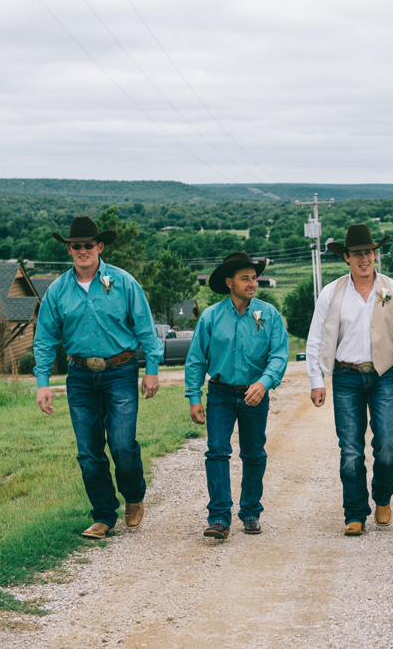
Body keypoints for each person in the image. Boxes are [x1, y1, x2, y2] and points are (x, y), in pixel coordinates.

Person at [34, 216, 163, 539]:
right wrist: (43, 384)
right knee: (89, 452)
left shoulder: (124, 282)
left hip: (120, 371)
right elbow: (45, 339)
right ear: (69, 249)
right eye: (76, 245)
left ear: (100, 246)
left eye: (88, 245)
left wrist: (152, 370)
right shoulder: (57, 291)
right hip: (79, 376)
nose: (83, 250)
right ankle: (104, 515)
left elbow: (146, 328)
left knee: (122, 445)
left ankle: (133, 497)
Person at [306, 224, 393, 536]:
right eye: (357, 253)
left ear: (375, 254)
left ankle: (382, 497)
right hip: (346, 376)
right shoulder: (331, 293)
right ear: (346, 257)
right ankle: (355, 513)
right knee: (351, 451)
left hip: (384, 375)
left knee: (388, 443)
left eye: (368, 252)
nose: (364, 259)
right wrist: (317, 379)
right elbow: (317, 338)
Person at [185, 252, 289, 540]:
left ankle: (251, 511)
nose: (252, 283)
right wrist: (194, 396)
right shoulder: (210, 316)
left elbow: (279, 355)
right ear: (229, 282)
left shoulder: (269, 314)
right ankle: (219, 517)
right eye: (245, 278)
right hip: (220, 393)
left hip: (255, 394)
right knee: (216, 451)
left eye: (254, 277)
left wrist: (264, 383)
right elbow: (196, 359)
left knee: (254, 454)